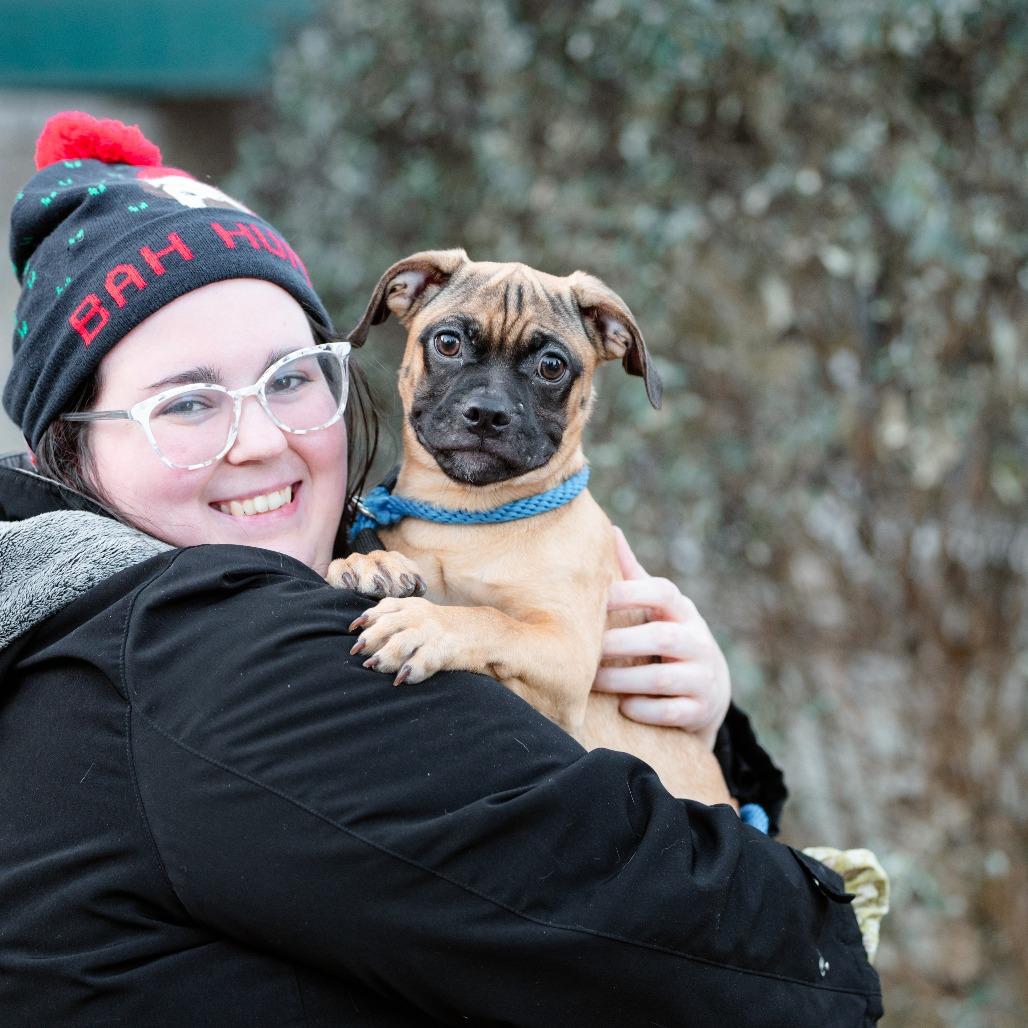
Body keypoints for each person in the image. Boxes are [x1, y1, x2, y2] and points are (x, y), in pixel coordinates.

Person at [0, 112, 881, 1026]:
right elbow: (741, 955)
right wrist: (812, 899)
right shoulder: (212, 659)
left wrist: (706, 722)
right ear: (64, 441)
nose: (260, 440)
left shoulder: (77, 603)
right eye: (186, 402)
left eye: (293, 378)